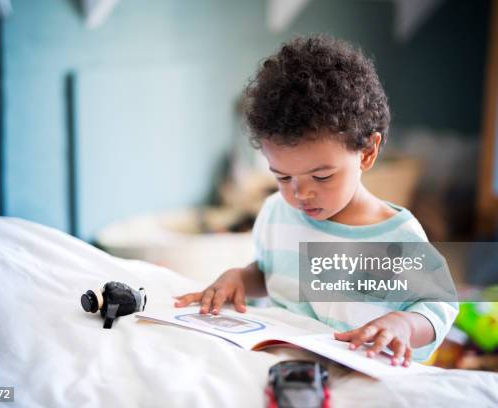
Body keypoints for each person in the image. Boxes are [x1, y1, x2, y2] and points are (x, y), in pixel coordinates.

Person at [175, 34, 457, 366]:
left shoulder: (398, 237)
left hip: (359, 370)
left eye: (321, 177)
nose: (300, 193)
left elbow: (438, 306)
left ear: (367, 153)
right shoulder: (277, 213)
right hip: (287, 365)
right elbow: (272, 274)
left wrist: (404, 324)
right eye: (282, 177)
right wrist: (240, 277)